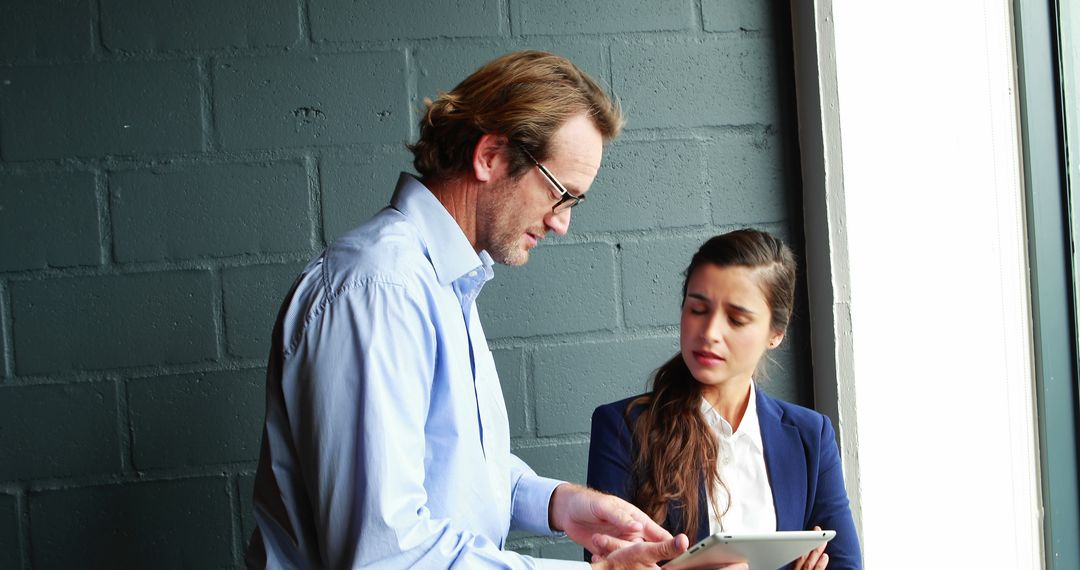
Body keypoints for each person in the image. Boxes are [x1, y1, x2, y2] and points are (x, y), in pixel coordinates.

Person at [245, 50, 712, 569]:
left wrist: (559, 505)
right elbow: (385, 553)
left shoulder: (443, 282)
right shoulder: (381, 290)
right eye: (561, 193)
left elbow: (450, 470)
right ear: (490, 155)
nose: (562, 224)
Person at [587, 229, 862, 569]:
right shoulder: (622, 427)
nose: (709, 333)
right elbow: (607, 563)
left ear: (775, 333)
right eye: (698, 309)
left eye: (736, 319)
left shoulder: (810, 436)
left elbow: (845, 564)